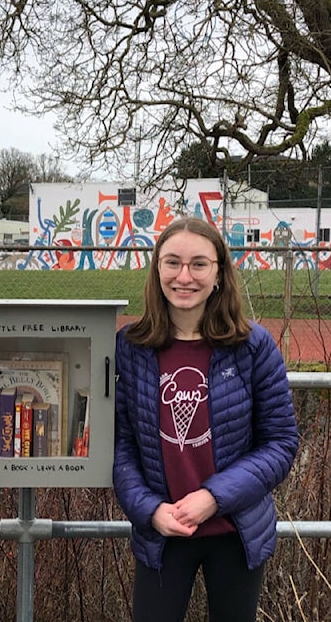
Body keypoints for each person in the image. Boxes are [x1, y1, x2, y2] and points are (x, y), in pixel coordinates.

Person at [113, 216, 299, 622]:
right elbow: (121, 446)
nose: (184, 276)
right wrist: (149, 510)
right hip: (162, 533)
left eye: (199, 264)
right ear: (156, 269)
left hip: (236, 532)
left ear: (218, 273)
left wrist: (213, 498)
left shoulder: (253, 347)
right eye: (172, 262)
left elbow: (281, 443)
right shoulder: (130, 348)